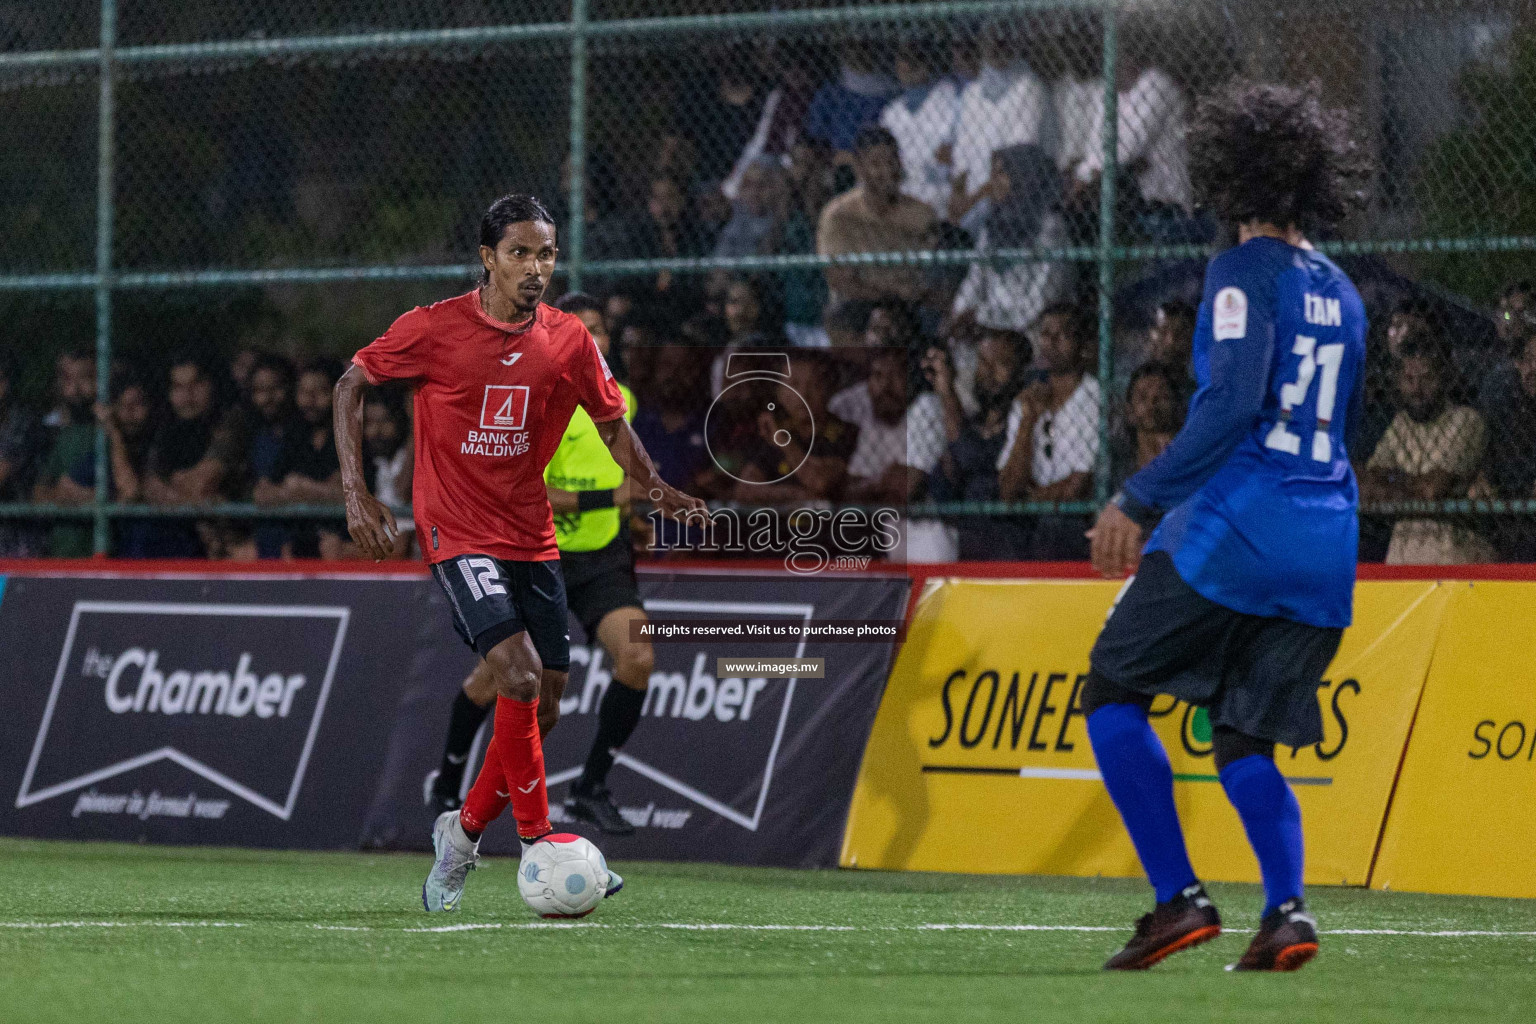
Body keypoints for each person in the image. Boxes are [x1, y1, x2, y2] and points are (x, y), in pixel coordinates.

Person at [335, 194, 704, 913]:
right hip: (457, 531)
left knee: (546, 706)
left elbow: (609, 422)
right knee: (520, 672)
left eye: (546, 254)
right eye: (520, 254)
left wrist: (654, 487)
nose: (535, 269)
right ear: (487, 258)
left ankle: (463, 833)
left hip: (530, 534)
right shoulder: (435, 328)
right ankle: (538, 841)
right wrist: (356, 494)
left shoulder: (568, 340)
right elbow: (353, 382)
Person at [1082, 80, 1369, 972]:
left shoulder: (1241, 274)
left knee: (1112, 691)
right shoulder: (1346, 293)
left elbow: (1231, 409)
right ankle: (1286, 913)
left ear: (1229, 181)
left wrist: (1137, 497)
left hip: (1238, 532)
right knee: (1246, 738)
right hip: (1328, 546)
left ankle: (1177, 899)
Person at [423, 291, 659, 836]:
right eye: (583, 329)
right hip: (533, 551)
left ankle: (591, 785)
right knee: (495, 681)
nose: (594, 339)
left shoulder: (620, 398)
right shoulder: (531, 393)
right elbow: (536, 490)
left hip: (600, 558)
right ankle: (447, 780)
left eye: (601, 329)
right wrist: (610, 500)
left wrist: (626, 509)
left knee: (638, 657)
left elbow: (626, 475)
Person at [1361, 344, 1494, 564]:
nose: (1417, 389)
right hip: (1401, 558)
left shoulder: (1465, 420)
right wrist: (1407, 484)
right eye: (1409, 379)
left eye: (1426, 379)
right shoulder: (1400, 424)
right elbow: (1370, 487)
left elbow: (1432, 489)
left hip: (1453, 558)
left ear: (1444, 379)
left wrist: (1393, 480)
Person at [996, 302, 1101, 559]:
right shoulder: (1029, 398)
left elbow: (1078, 487)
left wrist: (1025, 502)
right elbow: (1008, 489)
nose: (1051, 342)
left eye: (1062, 334)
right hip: (1031, 515)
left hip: (1078, 518)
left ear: (1083, 344)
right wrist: (1028, 420)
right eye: (1045, 334)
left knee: (1055, 527)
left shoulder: (1094, 397)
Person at [816, 126, 937, 339]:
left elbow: (930, 274)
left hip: (909, 306)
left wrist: (913, 294)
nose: (887, 171)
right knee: (839, 315)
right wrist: (889, 295)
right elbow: (839, 279)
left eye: (892, 161)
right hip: (861, 303)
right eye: (876, 163)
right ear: (860, 168)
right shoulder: (839, 214)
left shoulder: (921, 214)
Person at [879, 37, 960, 218]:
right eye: (903, 57)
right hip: (899, 201)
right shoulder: (890, 113)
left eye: (917, 56)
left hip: (940, 201)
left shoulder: (953, 100)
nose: (909, 64)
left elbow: (951, 159)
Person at [31, 349, 97, 557]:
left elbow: (123, 495)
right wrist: (63, 496)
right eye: (68, 379)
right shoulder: (62, 434)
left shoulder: (112, 431)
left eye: (85, 378)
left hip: (102, 554)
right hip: (61, 553)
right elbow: (39, 493)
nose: (76, 389)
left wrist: (85, 496)